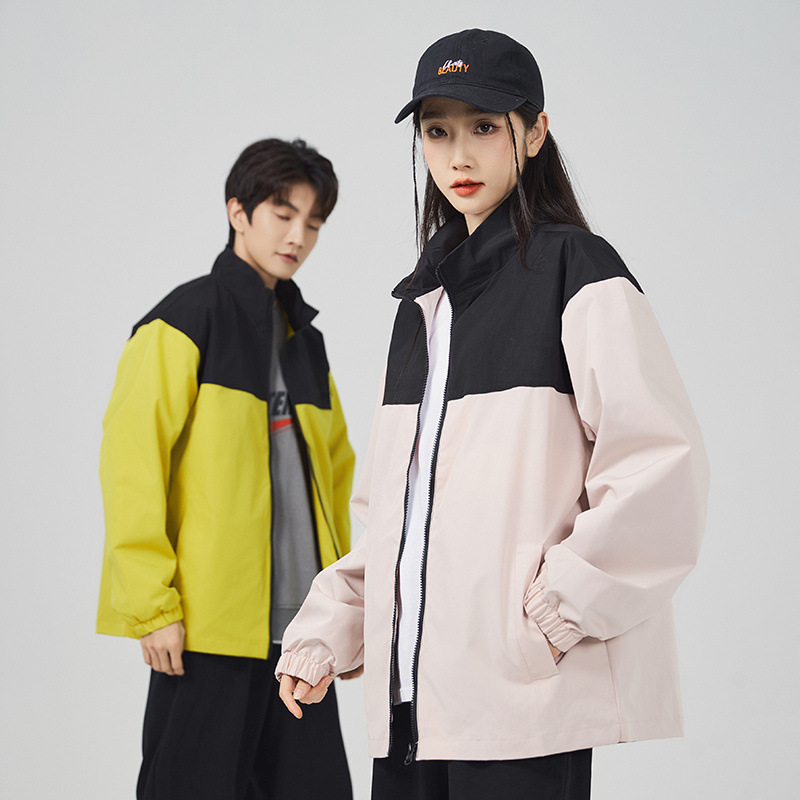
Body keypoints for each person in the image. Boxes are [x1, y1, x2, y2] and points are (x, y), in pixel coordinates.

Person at [276, 29, 710, 800]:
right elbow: (397, 519)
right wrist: (327, 630)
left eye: (483, 126)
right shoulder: (422, 308)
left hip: (521, 706)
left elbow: (660, 468)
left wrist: (552, 615)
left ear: (536, 131)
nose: (459, 156)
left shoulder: (578, 270)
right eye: (437, 132)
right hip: (412, 711)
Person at [96, 137, 357, 800]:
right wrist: (152, 607)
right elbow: (132, 467)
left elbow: (336, 481)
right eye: (283, 215)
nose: (298, 237)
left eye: (313, 223)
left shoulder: (305, 341)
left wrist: (344, 613)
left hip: (300, 635)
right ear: (238, 212)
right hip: (208, 627)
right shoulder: (184, 319)